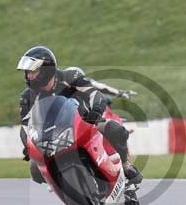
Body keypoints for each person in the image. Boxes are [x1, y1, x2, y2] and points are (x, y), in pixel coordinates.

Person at [16, 45, 142, 184]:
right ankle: (64, 187)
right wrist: (29, 147)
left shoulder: (70, 77)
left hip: (85, 123)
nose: (28, 76)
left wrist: (96, 111)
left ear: (46, 70)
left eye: (32, 71)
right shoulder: (27, 97)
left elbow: (95, 94)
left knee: (115, 129)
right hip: (51, 138)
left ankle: (125, 165)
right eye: (27, 72)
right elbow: (26, 126)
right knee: (35, 170)